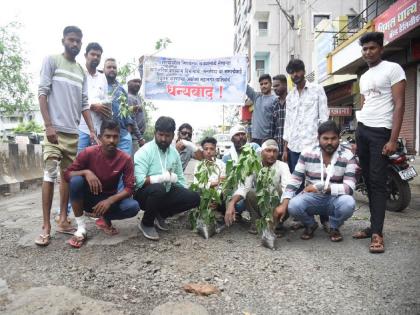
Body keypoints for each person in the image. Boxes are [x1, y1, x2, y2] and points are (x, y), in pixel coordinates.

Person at [35, 26, 96, 246]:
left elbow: (84, 104)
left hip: (73, 133)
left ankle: (62, 218)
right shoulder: (51, 60)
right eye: (71, 40)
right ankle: (46, 226)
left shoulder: (80, 71)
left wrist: (91, 130)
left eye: (78, 41)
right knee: (49, 173)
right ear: (63, 40)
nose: (75, 44)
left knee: (68, 177)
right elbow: (42, 92)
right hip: (54, 132)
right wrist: (48, 125)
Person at [352, 32, 406, 254]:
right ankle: (373, 226)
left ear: (381, 49)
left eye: (372, 48)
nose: (368, 52)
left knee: (377, 182)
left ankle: (377, 234)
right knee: (366, 180)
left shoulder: (393, 69)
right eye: (364, 49)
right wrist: (357, 134)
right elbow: (365, 104)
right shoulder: (364, 76)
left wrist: (393, 139)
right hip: (362, 130)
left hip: (381, 132)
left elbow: (400, 104)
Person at [276, 121, 357, 242]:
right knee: (293, 205)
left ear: (339, 138)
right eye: (325, 138)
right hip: (312, 198)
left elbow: (349, 188)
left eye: (333, 138)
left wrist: (321, 187)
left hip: (334, 198)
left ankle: (334, 226)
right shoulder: (307, 153)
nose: (329, 142)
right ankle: (310, 224)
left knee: (349, 203)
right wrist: (284, 203)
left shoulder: (348, 155)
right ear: (318, 138)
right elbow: (295, 179)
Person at [65, 120, 140, 248]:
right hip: (88, 199)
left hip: (108, 199)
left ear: (119, 138)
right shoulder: (88, 153)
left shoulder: (125, 159)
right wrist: (86, 172)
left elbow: (129, 188)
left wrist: (110, 200)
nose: (111, 140)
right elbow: (67, 174)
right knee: (76, 180)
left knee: (133, 207)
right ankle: (81, 228)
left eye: (115, 137)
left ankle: (105, 218)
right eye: (107, 136)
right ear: (100, 138)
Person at [134, 116, 200, 240]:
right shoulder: (144, 151)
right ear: (155, 133)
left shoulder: (174, 153)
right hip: (144, 195)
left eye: (167, 136)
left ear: (173, 135)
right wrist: (162, 178)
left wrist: (186, 195)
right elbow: (139, 181)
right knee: (158, 188)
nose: (164, 139)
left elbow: (180, 179)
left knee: (195, 197)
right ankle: (146, 223)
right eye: (161, 135)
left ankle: (160, 215)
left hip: (165, 192)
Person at [283, 59, 330, 230]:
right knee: (297, 182)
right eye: (292, 72)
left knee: (320, 181)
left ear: (304, 71)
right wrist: (286, 147)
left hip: (313, 145)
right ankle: (304, 218)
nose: (295, 75)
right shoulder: (290, 96)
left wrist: (324, 143)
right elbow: (288, 123)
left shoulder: (317, 90)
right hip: (295, 146)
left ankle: (325, 218)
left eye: (297, 71)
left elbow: (324, 116)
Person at [225, 139, 291, 235]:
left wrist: (283, 205)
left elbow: (288, 188)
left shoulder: (283, 166)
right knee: (249, 192)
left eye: (274, 151)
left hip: (278, 207)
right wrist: (231, 203)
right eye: (268, 151)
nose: (272, 154)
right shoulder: (254, 166)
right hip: (262, 205)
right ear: (261, 152)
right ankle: (256, 222)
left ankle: (277, 224)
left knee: (279, 189)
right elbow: (244, 188)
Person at [222, 124, 261, 218]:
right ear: (232, 139)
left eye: (243, 134)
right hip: (238, 188)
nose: (241, 137)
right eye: (237, 135)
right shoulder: (227, 157)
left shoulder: (254, 147)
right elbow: (228, 180)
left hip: (255, 186)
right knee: (236, 205)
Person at [78, 42, 110, 152]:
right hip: (81, 129)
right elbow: (74, 98)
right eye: (92, 54)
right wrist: (92, 106)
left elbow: (105, 99)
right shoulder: (79, 73)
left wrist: (106, 108)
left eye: (98, 55)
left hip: (98, 130)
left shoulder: (102, 78)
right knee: (78, 162)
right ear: (85, 55)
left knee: (96, 165)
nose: (95, 57)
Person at [103, 58, 134, 156]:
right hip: (106, 135)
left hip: (123, 135)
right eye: (109, 67)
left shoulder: (121, 89)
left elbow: (127, 112)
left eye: (114, 67)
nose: (112, 69)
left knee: (125, 164)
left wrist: (128, 132)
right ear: (103, 69)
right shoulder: (99, 86)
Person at [245, 74, 277, 146]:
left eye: (266, 83)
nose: (263, 86)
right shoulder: (256, 97)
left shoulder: (275, 99)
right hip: (255, 138)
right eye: (261, 84)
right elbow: (245, 87)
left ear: (271, 84)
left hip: (268, 139)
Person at [270, 74, 288, 160]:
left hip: (291, 148)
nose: (275, 88)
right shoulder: (274, 103)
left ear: (285, 84)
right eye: (274, 87)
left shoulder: (292, 100)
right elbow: (272, 127)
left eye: (277, 85)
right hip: (277, 148)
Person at [127, 78, 146, 155]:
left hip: (138, 136)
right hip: (134, 137)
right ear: (128, 83)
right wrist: (140, 138)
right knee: (134, 162)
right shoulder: (129, 98)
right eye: (135, 81)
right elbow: (132, 120)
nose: (138, 84)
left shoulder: (137, 97)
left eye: (139, 82)